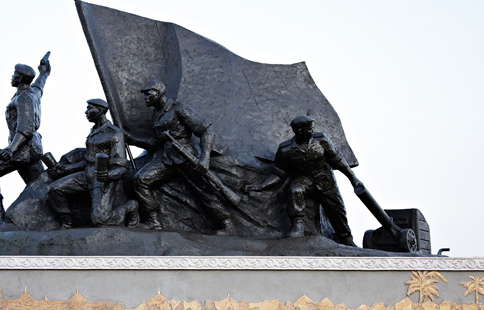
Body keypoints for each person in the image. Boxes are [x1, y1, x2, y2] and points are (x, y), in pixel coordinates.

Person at [132, 79, 234, 234]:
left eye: (148, 94)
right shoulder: (156, 115)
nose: (145, 97)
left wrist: (205, 158)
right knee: (140, 180)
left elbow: (207, 130)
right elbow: (156, 142)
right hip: (166, 158)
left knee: (203, 190)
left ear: (159, 93)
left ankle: (226, 223)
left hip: (186, 156)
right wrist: (132, 140)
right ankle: (153, 221)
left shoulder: (179, 108)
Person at [245, 115, 359, 246]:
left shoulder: (321, 140)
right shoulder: (285, 149)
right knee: (295, 189)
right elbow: (279, 174)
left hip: (325, 181)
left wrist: (353, 178)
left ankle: (345, 238)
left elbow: (338, 160)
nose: (312, 131)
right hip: (305, 180)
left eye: (311, 128)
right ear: (299, 131)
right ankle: (297, 226)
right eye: (308, 129)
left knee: (337, 211)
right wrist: (261, 186)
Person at [0, 52, 51, 222]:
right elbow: (40, 85)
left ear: (19, 78)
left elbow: (25, 128)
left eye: (14, 75)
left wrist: (10, 150)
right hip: (33, 149)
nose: (11, 77)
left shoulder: (24, 97)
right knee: (39, 186)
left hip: (22, 150)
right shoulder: (33, 92)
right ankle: (55, 215)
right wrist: (44, 72)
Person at [47, 99, 139, 228]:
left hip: (103, 179)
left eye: (90, 109)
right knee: (53, 189)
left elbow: (122, 167)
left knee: (101, 221)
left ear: (100, 111)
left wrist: (107, 176)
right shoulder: (93, 131)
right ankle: (67, 223)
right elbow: (88, 160)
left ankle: (130, 207)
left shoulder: (114, 134)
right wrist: (66, 169)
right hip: (87, 174)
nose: (86, 112)